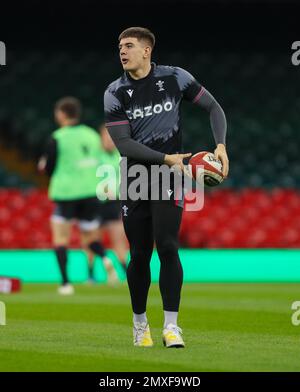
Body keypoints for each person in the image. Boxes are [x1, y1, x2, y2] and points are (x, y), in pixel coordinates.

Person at [104, 27, 229, 347]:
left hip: (169, 177)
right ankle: (139, 323)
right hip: (134, 177)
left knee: (169, 245)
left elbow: (214, 108)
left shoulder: (175, 78)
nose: (122, 51)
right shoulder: (114, 92)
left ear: (146, 50)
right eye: (120, 46)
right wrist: (167, 158)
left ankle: (171, 327)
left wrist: (221, 146)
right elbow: (124, 145)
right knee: (140, 254)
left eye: (128, 45)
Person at [39, 97, 118, 295]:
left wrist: (44, 166)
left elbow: (49, 167)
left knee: (60, 238)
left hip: (67, 192)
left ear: (61, 114)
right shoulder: (91, 134)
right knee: (89, 236)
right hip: (91, 192)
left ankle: (65, 283)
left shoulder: (58, 137)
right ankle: (106, 258)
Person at [84, 124, 128, 282]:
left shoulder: (120, 154)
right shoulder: (94, 155)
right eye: (106, 137)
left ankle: (126, 272)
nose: (109, 140)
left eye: (111, 137)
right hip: (95, 202)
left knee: (119, 240)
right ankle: (91, 275)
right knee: (91, 239)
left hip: (114, 202)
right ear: (100, 138)